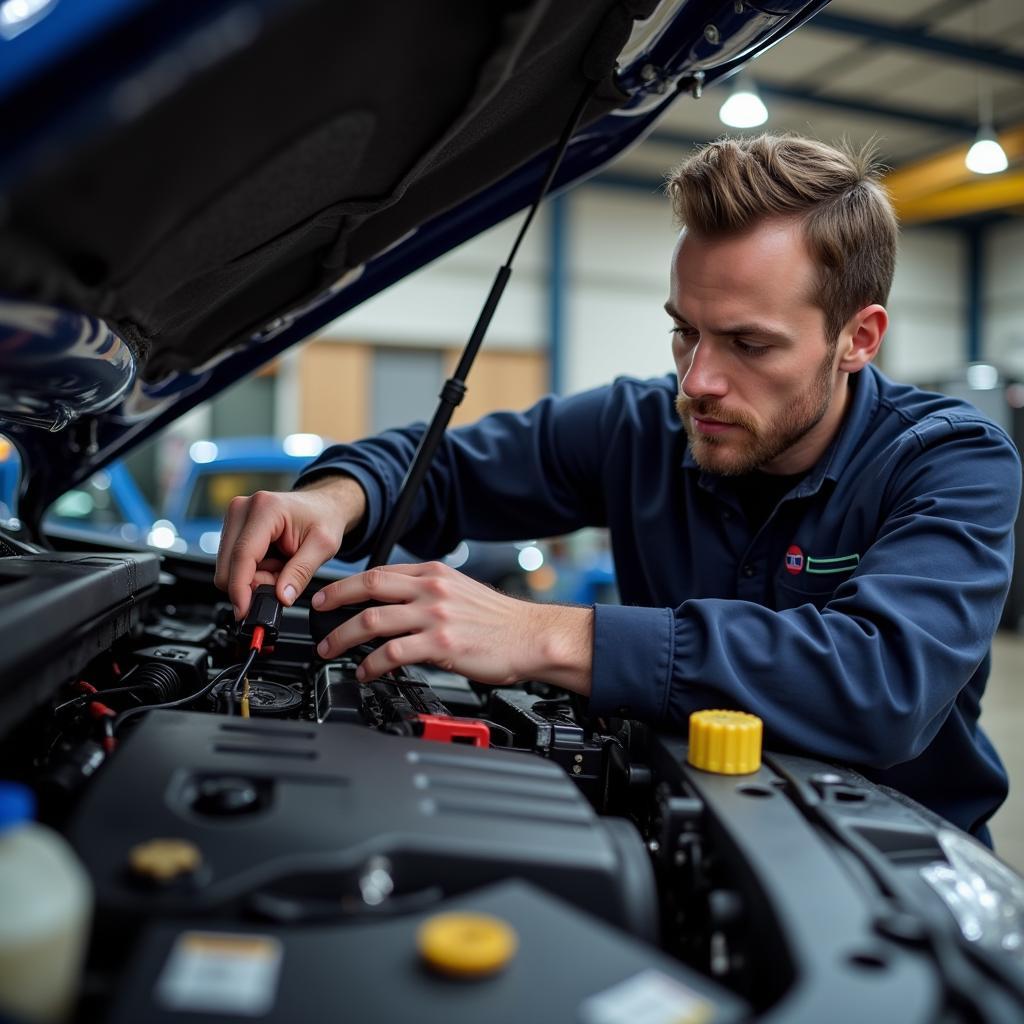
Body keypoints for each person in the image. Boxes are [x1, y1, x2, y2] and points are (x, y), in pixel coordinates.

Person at [215, 134, 1021, 841]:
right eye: (685, 330)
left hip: (891, 872)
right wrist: (335, 495)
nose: (699, 380)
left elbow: (882, 684)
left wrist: (551, 633)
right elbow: (447, 469)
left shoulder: (950, 462)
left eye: (747, 342)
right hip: (666, 825)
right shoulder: (638, 428)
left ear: (858, 339)